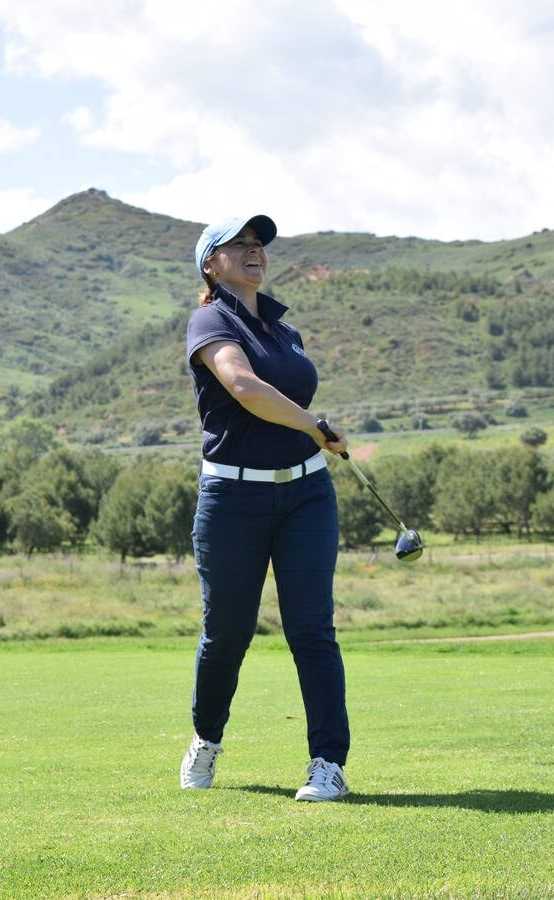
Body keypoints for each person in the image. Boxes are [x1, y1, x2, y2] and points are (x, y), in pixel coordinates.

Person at [179, 213, 352, 802]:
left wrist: (312, 435)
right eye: (240, 245)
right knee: (226, 633)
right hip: (232, 498)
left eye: (260, 245)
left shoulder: (286, 330)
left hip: (306, 492)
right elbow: (244, 389)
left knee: (312, 630)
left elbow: (285, 391)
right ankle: (206, 739)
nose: (255, 252)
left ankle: (328, 763)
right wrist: (315, 424)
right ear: (211, 263)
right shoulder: (209, 320)